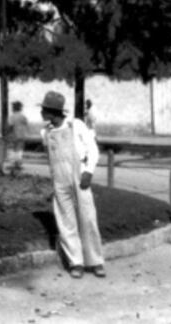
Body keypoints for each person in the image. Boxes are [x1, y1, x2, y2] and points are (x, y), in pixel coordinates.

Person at [39, 90, 106, 279]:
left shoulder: (76, 126)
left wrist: (88, 171)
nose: (42, 113)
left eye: (44, 110)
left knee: (88, 217)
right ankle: (76, 261)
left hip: (80, 176)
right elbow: (50, 157)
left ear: (53, 111)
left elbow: (92, 150)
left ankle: (96, 261)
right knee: (66, 220)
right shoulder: (46, 132)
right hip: (60, 179)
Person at [6, 100, 30, 171]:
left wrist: (7, 133)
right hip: (22, 135)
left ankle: (12, 164)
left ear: (13, 108)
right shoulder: (23, 117)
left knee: (12, 149)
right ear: (20, 108)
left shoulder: (12, 117)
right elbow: (26, 125)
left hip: (13, 135)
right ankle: (18, 164)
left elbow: (10, 126)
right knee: (19, 149)